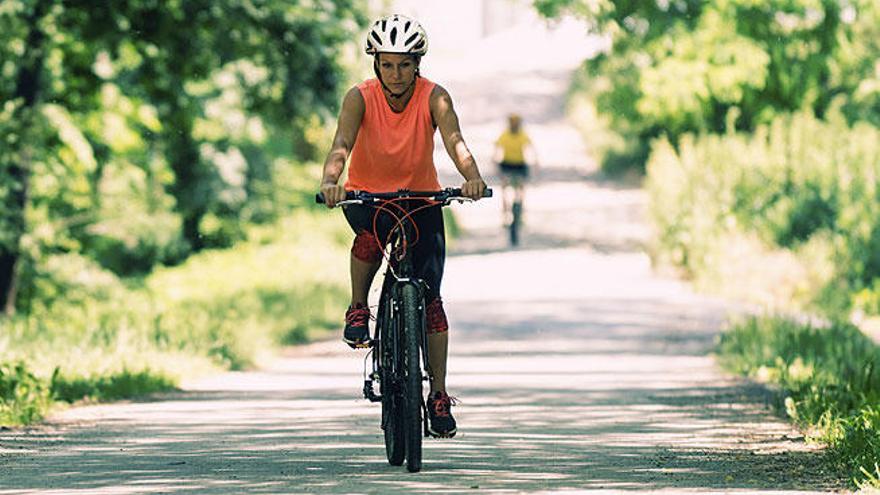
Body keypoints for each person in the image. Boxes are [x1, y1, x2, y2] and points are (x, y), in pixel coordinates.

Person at [318, 14, 487, 438]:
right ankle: (359, 306)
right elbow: (342, 143)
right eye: (387, 64)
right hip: (366, 197)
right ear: (375, 63)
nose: (396, 73)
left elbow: (455, 142)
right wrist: (330, 182)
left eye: (405, 64)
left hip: (420, 199)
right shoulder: (359, 97)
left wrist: (472, 177)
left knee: (432, 299)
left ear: (418, 64)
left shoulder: (435, 97)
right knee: (371, 239)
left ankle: (439, 395)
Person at [493, 113, 538, 228]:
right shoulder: (505, 135)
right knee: (504, 189)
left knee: (521, 189)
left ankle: (520, 213)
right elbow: (497, 149)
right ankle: (505, 214)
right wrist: (495, 163)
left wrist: (535, 163)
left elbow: (531, 149)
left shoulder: (523, 135)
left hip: (519, 164)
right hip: (507, 164)